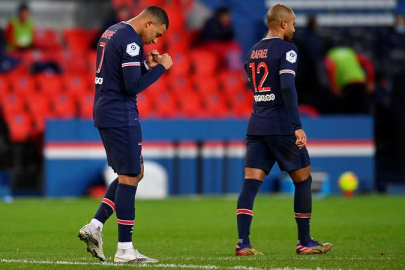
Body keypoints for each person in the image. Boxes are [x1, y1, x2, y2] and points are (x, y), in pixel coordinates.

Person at [235, 4, 332, 256]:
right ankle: (304, 241)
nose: (294, 28)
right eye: (293, 23)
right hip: (280, 125)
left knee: (250, 184)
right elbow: (288, 87)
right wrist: (296, 126)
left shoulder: (254, 50)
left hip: (257, 123)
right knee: (303, 179)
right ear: (282, 24)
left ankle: (243, 242)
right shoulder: (288, 49)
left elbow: (254, 85)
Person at [78, 6, 173, 264]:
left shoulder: (112, 31)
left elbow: (119, 76)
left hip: (106, 110)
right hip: (120, 114)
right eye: (157, 34)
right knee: (130, 177)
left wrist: (144, 65)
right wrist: (161, 68)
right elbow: (131, 87)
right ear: (150, 22)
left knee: (134, 172)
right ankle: (125, 249)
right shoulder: (131, 39)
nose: (155, 41)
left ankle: (95, 226)